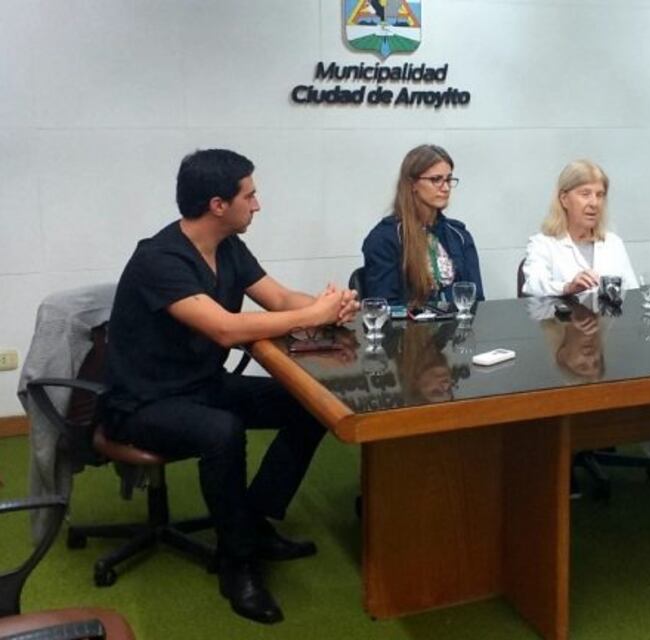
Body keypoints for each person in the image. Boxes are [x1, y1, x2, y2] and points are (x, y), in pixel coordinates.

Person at [103, 149, 359, 625]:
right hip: (142, 402)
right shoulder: (159, 259)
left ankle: (253, 519)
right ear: (218, 204)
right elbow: (222, 328)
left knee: (307, 404)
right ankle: (236, 562)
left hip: (201, 384)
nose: (257, 205)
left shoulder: (229, 248)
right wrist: (312, 316)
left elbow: (279, 298)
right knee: (221, 432)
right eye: (250, 194)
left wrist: (332, 308)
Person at [361, 144, 484, 307]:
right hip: (407, 331)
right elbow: (385, 307)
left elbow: (476, 299)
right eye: (436, 180)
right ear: (412, 184)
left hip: (460, 329)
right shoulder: (385, 238)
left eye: (448, 179)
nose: (446, 188)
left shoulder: (459, 236)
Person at [522, 160, 638, 297]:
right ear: (564, 199)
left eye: (599, 195)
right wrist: (567, 287)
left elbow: (632, 293)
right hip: (561, 319)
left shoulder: (613, 243)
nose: (594, 203)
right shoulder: (543, 244)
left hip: (608, 318)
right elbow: (533, 285)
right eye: (585, 194)